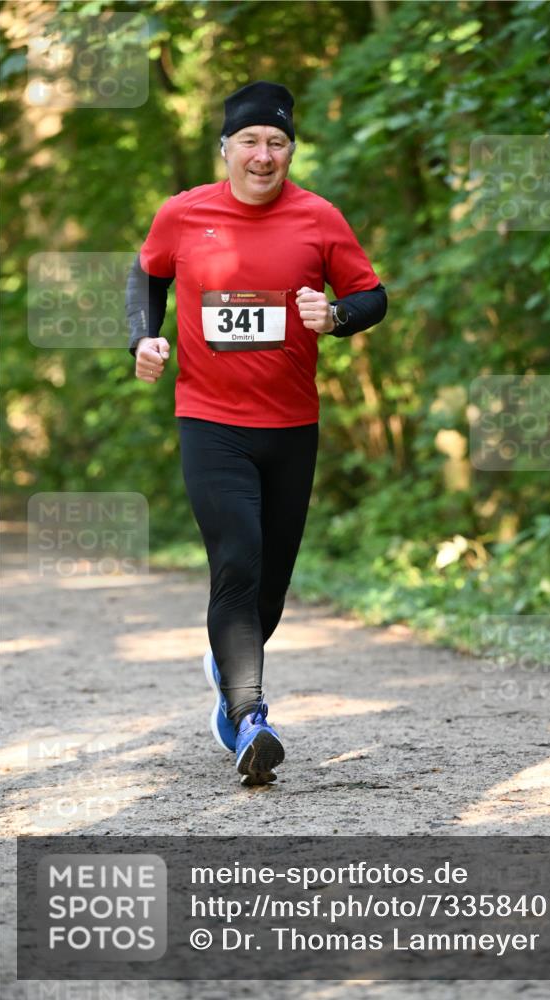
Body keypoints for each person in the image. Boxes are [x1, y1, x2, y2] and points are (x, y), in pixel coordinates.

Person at [126, 81, 387, 787]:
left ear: (290, 150)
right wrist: (142, 340)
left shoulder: (318, 217)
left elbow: (372, 297)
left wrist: (333, 317)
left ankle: (227, 665)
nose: (263, 155)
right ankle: (249, 717)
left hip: (292, 426)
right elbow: (146, 276)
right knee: (237, 557)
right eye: (250, 141)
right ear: (226, 149)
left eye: (276, 142)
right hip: (210, 422)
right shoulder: (183, 215)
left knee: (269, 583)